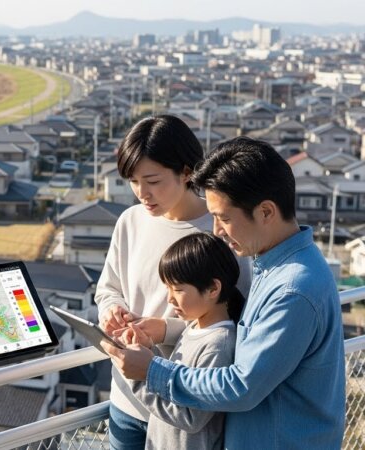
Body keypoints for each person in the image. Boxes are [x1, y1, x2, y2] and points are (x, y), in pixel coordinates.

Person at [104, 136, 346, 448]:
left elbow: (241, 385)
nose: (217, 230)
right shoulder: (276, 265)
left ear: (266, 212)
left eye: (224, 218)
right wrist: (165, 330)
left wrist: (152, 371)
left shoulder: (293, 289)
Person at [93, 115, 251, 450]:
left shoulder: (221, 230)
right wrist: (112, 310)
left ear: (187, 172)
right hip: (126, 398)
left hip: (180, 409)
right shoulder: (130, 221)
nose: (142, 193)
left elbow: (235, 318)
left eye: (153, 181)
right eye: (133, 181)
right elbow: (108, 288)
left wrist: (164, 329)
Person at [119, 232, 244, 450]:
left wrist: (138, 375)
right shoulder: (194, 327)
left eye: (177, 289)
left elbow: (190, 417)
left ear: (213, 289)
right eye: (167, 288)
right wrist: (147, 350)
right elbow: (171, 384)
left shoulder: (218, 346)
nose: (170, 298)